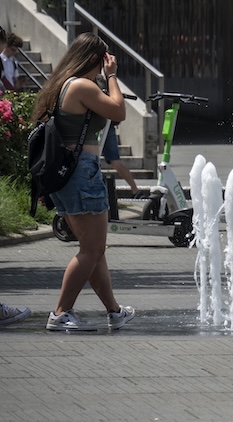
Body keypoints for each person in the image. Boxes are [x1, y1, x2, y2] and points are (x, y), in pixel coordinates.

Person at [33, 32, 135, 332]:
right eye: (104, 57)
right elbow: (118, 111)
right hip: (81, 172)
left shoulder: (64, 84)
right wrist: (113, 75)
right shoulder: (80, 85)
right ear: (95, 58)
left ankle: (114, 311)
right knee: (92, 250)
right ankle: (60, 313)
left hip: (70, 172)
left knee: (95, 249)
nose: (107, 62)